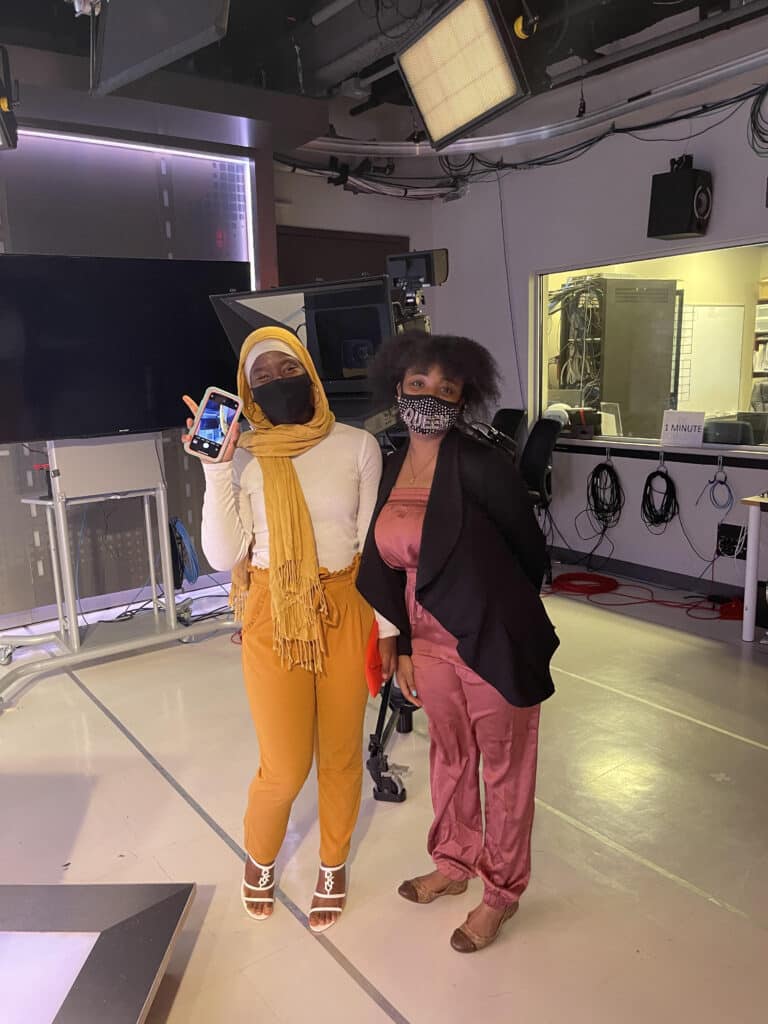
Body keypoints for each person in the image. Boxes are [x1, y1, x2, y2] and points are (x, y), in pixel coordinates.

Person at [183, 325, 397, 933]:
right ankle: (260, 856)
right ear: (246, 392)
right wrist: (216, 470)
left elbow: (370, 547)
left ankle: (333, 862)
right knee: (283, 766)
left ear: (309, 370)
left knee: (339, 755)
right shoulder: (243, 453)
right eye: (262, 377)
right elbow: (225, 556)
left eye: (287, 369)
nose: (277, 382)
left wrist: (385, 631)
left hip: (344, 604)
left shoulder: (358, 446)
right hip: (272, 611)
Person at [357, 331, 559, 954]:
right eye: (418, 385)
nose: (430, 397)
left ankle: (500, 894)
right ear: (398, 387)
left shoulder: (480, 463)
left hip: (490, 635)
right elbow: (384, 560)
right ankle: (453, 861)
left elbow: (530, 553)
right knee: (449, 754)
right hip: (428, 638)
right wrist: (404, 641)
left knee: (504, 765)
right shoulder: (391, 465)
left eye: (446, 389)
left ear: (464, 396)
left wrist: (497, 607)